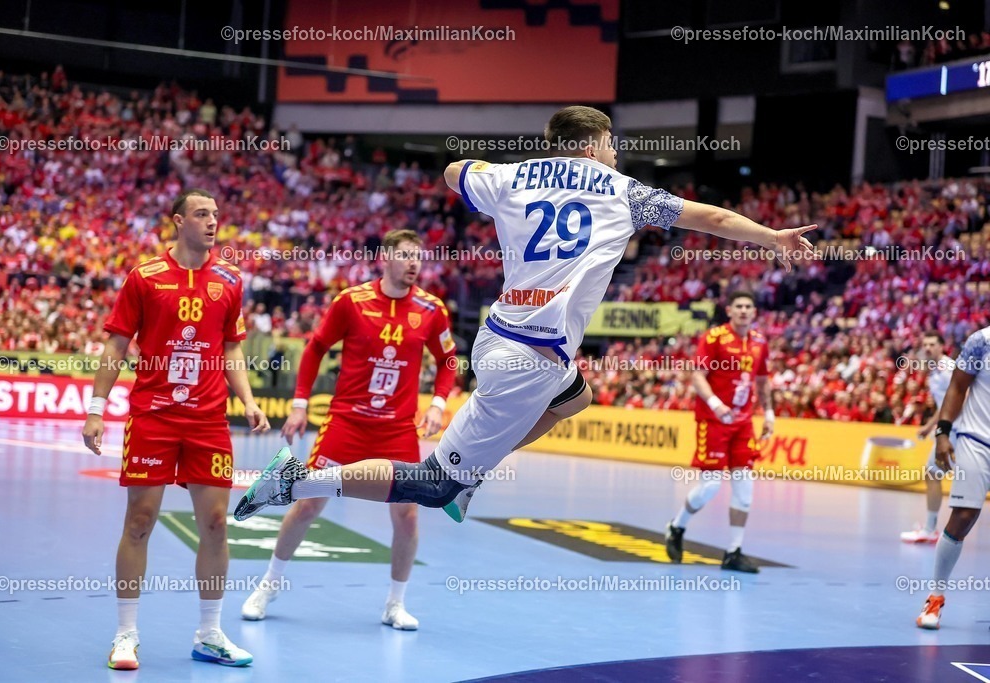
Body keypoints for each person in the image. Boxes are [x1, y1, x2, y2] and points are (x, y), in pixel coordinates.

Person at [233, 105, 816, 531]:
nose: (616, 152)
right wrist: (771, 237)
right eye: (611, 142)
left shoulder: (511, 176)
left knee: (577, 398)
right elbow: (709, 218)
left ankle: (473, 476)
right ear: (592, 145)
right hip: (531, 359)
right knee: (435, 485)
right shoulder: (622, 191)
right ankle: (301, 480)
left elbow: (455, 171)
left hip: (499, 334)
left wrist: (514, 167)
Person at [82, 189, 270, 670]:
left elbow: (230, 348)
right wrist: (97, 408)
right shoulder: (144, 278)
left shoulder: (229, 280)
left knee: (214, 524)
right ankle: (126, 635)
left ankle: (209, 634)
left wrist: (246, 400)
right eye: (202, 214)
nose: (212, 222)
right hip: (153, 416)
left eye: (216, 215)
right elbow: (116, 346)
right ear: (177, 221)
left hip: (208, 420)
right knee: (139, 522)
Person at [240, 229, 456, 630]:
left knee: (408, 516)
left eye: (418, 258)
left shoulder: (431, 310)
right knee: (307, 502)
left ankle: (395, 603)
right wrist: (300, 404)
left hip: (396, 429)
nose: (414, 264)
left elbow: (449, 361)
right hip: (347, 422)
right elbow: (316, 347)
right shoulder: (351, 302)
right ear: (386, 258)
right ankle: (268, 585)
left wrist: (439, 405)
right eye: (406, 256)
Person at [663, 292, 773, 573]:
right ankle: (677, 527)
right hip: (713, 420)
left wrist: (769, 414)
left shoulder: (760, 341)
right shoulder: (714, 338)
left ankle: (734, 552)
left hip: (743, 422)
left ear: (754, 311)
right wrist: (715, 403)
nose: (744, 311)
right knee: (711, 486)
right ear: (729, 310)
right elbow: (698, 374)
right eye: (739, 306)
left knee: (744, 489)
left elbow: (762, 380)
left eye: (749, 306)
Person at [916, 325, 990, 629]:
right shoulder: (982, 341)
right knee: (963, 515)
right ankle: (935, 598)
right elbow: (957, 388)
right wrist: (942, 432)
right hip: (976, 439)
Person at [901, 331, 955, 543]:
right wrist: (929, 426)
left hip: (957, 430)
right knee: (935, 474)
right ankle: (932, 527)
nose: (928, 348)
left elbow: (963, 396)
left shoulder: (948, 368)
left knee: (933, 474)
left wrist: (945, 429)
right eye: (925, 344)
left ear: (942, 346)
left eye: (932, 344)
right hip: (950, 427)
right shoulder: (934, 371)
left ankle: (932, 529)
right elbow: (945, 404)